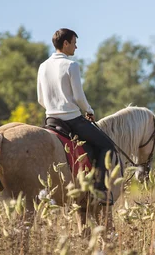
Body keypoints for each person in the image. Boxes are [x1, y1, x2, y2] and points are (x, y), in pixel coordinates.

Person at [37, 28, 116, 200]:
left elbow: (40, 99)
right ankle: (101, 190)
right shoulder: (71, 65)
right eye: (74, 43)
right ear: (65, 44)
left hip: (51, 119)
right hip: (72, 119)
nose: (76, 47)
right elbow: (79, 97)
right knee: (107, 145)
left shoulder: (43, 66)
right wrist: (89, 110)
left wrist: (53, 107)